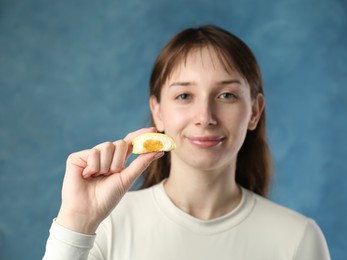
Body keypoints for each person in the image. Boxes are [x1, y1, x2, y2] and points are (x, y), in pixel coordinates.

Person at [43, 25, 330, 259]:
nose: (205, 117)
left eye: (226, 95)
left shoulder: (297, 238)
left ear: (254, 111)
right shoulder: (103, 225)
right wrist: (77, 222)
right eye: (184, 96)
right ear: (158, 111)